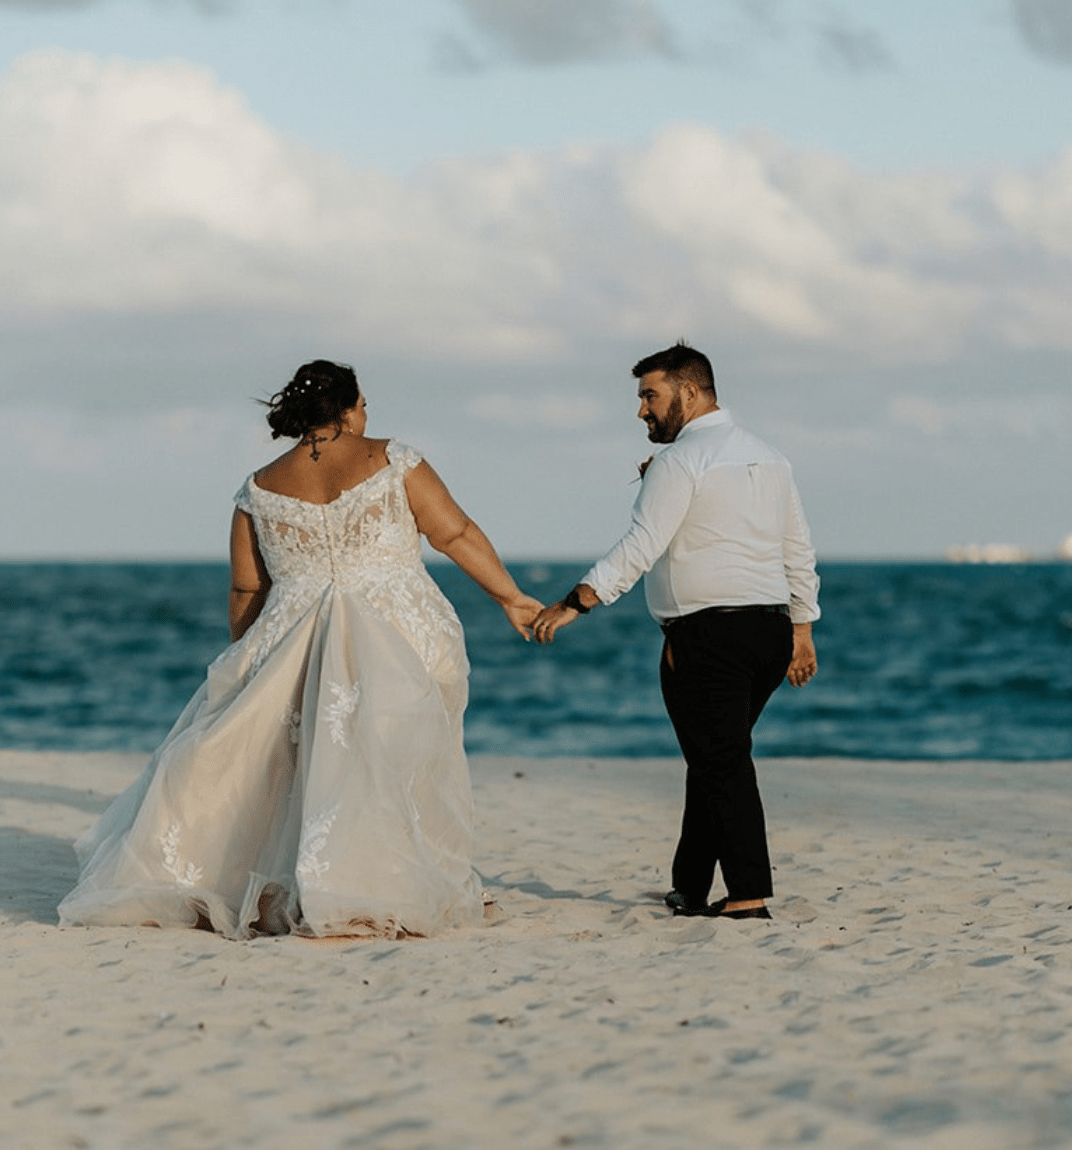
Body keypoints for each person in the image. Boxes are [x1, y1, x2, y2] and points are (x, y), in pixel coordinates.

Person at [58, 360, 543, 939]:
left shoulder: (259, 487)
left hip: (292, 632)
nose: (368, 416)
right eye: (363, 404)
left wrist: (253, 656)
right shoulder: (393, 460)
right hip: (398, 630)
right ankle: (401, 885)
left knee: (304, 770)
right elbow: (454, 534)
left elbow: (245, 588)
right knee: (398, 762)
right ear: (346, 409)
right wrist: (509, 597)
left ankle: (301, 885)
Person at [532, 343, 819, 921]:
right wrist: (802, 631)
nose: (641, 410)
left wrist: (577, 602)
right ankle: (689, 885)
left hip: (709, 638)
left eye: (649, 395)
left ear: (690, 392)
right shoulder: (770, 457)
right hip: (768, 632)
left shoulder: (680, 462)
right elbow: (798, 550)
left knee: (721, 762)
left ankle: (747, 896)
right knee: (713, 756)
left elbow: (641, 544)